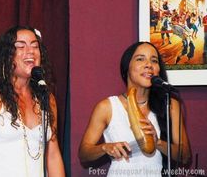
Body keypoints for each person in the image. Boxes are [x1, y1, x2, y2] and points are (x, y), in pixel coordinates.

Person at [0, 25, 65, 177]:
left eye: (35, 46)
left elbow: (53, 155)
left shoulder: (47, 98)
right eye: (21, 46)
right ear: (7, 55)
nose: (30, 51)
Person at [78, 42, 191, 176]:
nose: (149, 64)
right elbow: (83, 153)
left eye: (154, 61)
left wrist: (158, 143)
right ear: (127, 68)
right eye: (140, 59)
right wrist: (105, 147)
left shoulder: (170, 104)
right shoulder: (107, 107)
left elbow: (185, 156)